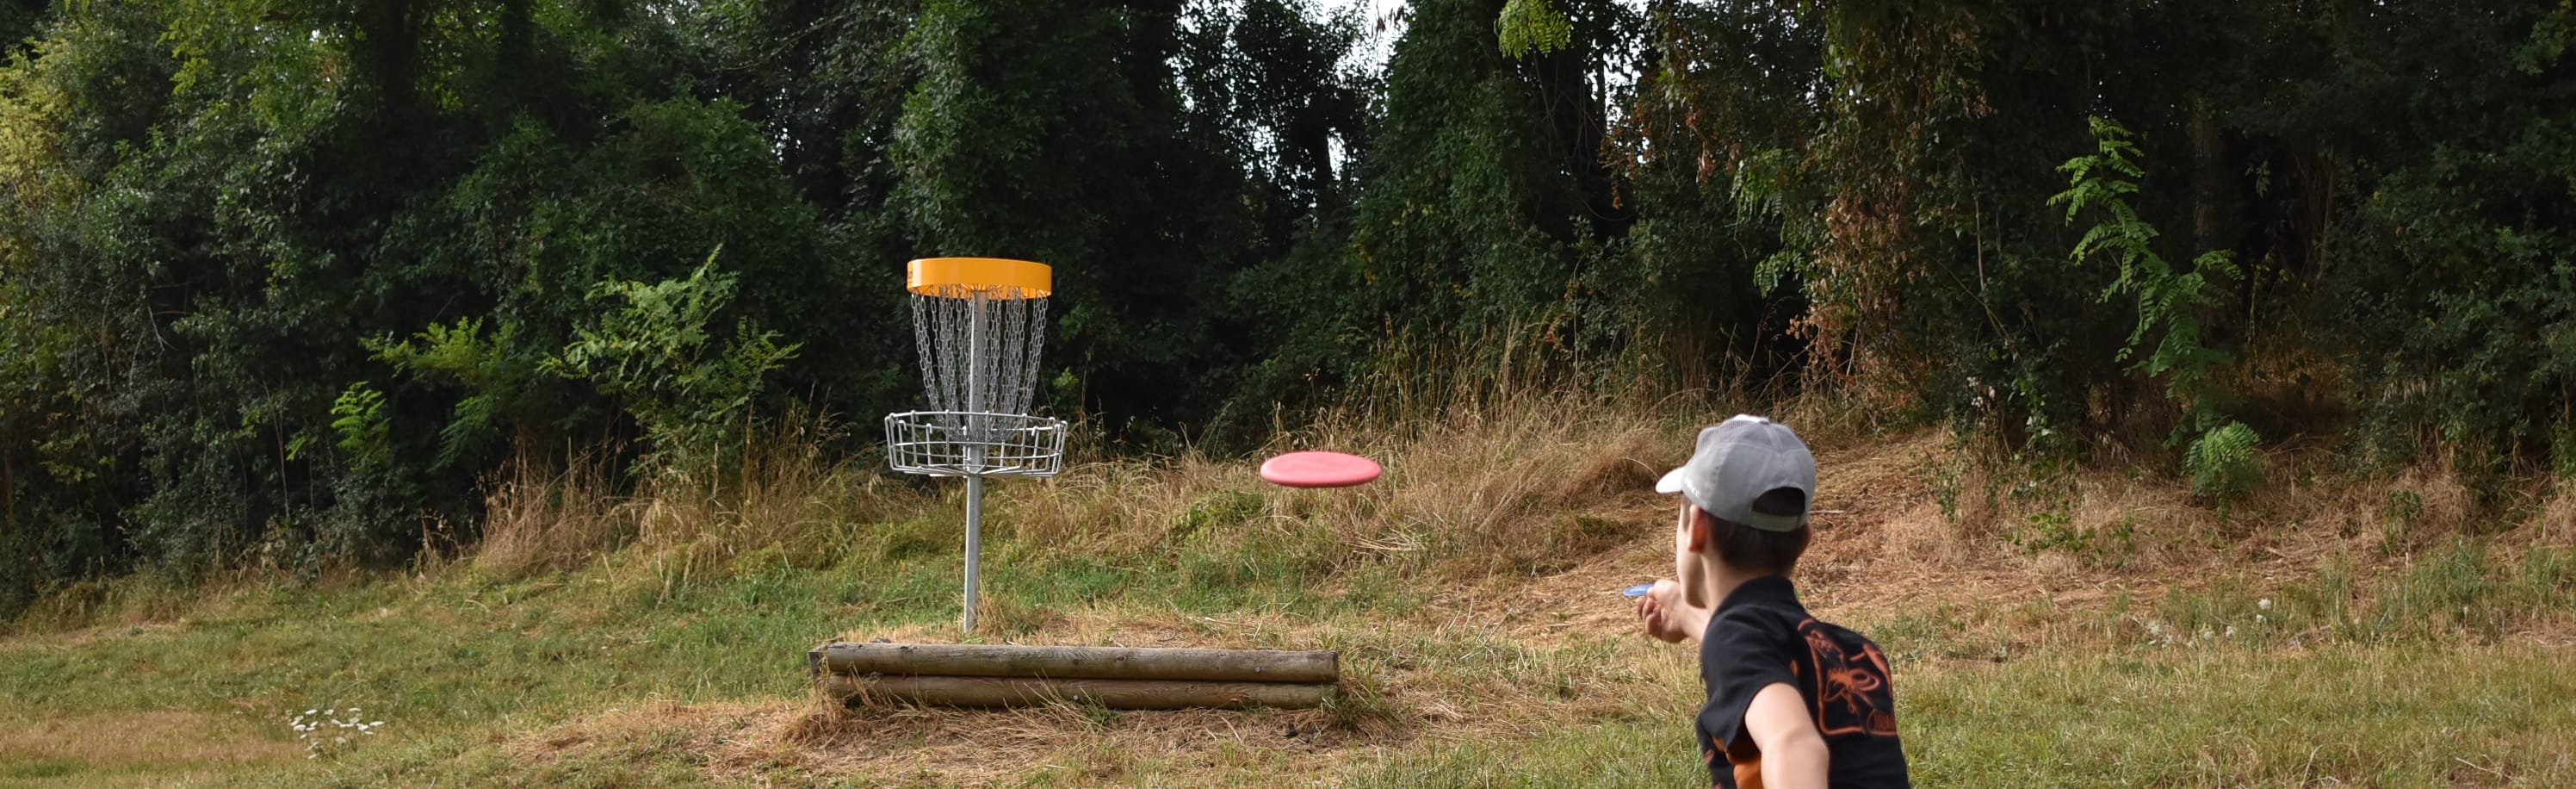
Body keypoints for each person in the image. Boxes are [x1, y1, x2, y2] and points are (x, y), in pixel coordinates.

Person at [1636, 414, 1910, 788]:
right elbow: (1754, 658)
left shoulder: (1737, 639)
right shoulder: (1858, 652)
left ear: (1695, 528)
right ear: (1805, 537)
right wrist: (1685, 615)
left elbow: (1793, 742)